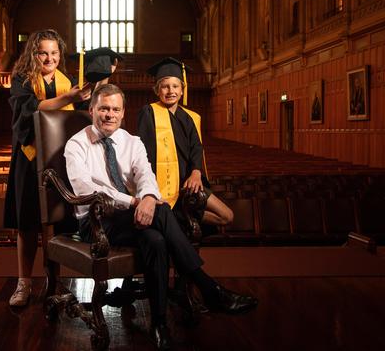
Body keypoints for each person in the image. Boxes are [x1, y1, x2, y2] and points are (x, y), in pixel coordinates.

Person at [65, 84, 257, 349]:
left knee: (155, 240)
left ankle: (159, 323)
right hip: (97, 221)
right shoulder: (77, 144)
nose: (110, 114)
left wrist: (148, 198)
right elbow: (87, 189)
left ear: (123, 114)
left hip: (131, 216)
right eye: (104, 109)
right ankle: (208, 288)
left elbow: (146, 175)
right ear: (92, 110)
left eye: (115, 109)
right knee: (163, 212)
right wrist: (136, 201)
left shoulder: (132, 142)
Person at [5, 30, 118, 307]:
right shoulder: (22, 80)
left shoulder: (67, 82)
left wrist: (103, 78)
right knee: (28, 223)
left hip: (60, 160)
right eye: (44, 52)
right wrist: (69, 98)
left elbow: (89, 108)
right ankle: (24, 282)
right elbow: (32, 110)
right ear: (33, 53)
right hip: (29, 159)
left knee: (56, 225)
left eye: (55, 53)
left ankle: (53, 281)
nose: (50, 58)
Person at [137, 57, 233, 234]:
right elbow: (143, 152)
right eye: (165, 86)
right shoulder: (149, 112)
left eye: (175, 86)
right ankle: (177, 218)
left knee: (227, 216)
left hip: (188, 182)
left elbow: (197, 147)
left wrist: (196, 173)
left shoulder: (191, 117)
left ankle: (179, 216)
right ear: (157, 90)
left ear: (182, 90)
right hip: (160, 183)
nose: (170, 91)